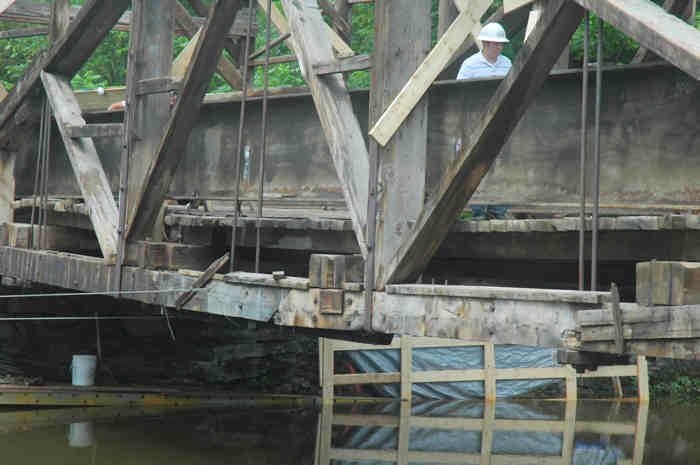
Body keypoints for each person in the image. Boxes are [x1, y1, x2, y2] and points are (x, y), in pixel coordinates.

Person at [457, 22, 512, 220]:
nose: (500, 47)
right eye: (496, 44)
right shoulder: (470, 65)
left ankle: (498, 210)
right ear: (486, 44)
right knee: (477, 164)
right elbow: (459, 94)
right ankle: (479, 211)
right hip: (477, 122)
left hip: (500, 123)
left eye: (501, 44)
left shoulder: (506, 64)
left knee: (502, 163)